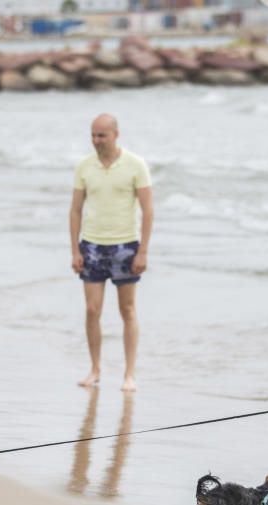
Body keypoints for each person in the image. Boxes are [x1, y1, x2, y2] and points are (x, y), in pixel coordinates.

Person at [70, 113, 153, 392]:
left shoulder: (135, 165)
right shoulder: (84, 166)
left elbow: (148, 210)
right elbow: (75, 210)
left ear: (116, 135)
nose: (96, 140)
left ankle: (129, 374)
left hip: (125, 246)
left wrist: (143, 251)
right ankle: (95, 369)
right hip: (91, 245)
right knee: (92, 310)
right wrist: (75, 250)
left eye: (101, 135)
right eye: (93, 135)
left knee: (127, 309)